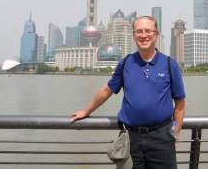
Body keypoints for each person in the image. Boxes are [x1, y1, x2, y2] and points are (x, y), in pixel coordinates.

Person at [71, 16, 186, 169]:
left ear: (156, 34)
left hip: (162, 137)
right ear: (133, 36)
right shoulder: (125, 63)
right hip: (130, 138)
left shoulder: (169, 64)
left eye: (148, 31)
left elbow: (180, 102)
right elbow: (107, 90)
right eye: (139, 31)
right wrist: (86, 111)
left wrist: (175, 132)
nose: (143, 35)